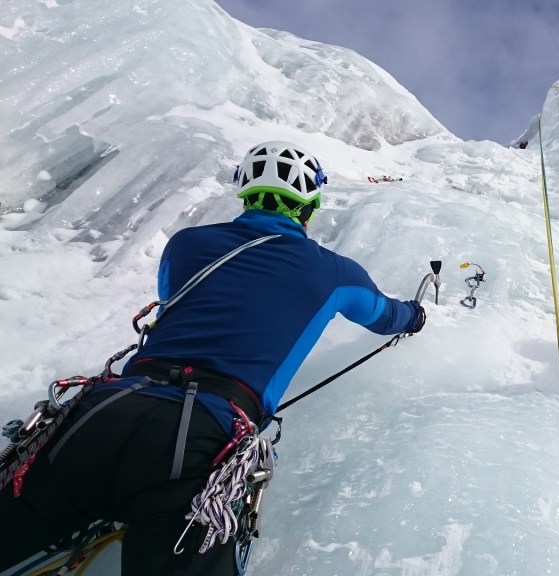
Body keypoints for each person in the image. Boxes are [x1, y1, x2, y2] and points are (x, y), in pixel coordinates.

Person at [0, 141, 426, 575]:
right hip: (204, 437)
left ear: (244, 191)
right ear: (310, 207)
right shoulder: (335, 272)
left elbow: (172, 300)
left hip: (102, 412)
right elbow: (383, 315)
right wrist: (417, 315)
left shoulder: (188, 244)